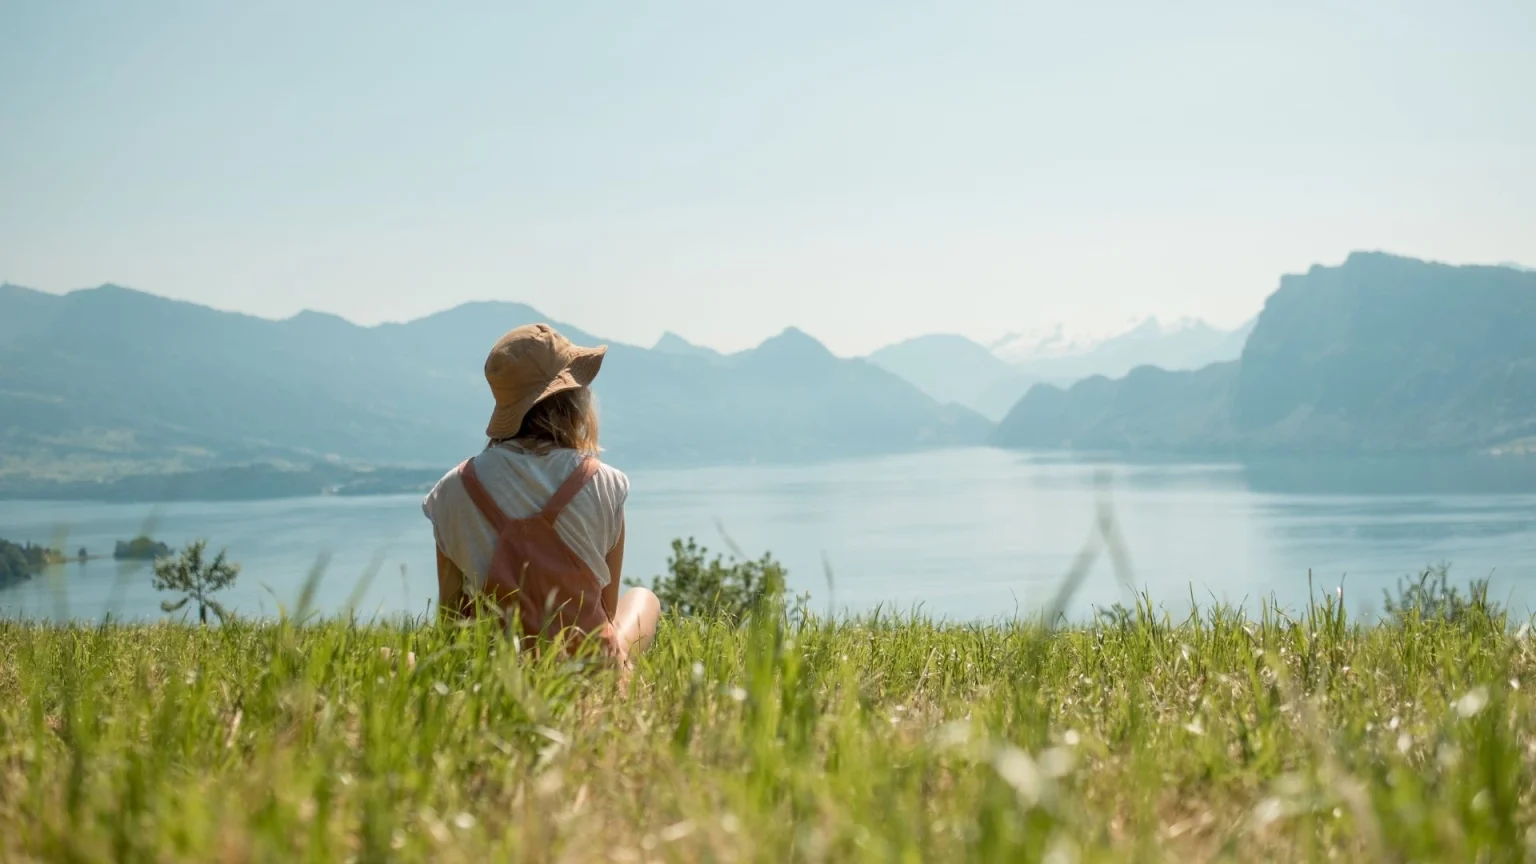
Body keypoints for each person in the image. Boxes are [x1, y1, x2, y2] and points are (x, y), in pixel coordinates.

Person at [422, 323, 659, 664]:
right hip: (589, 667)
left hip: (499, 672)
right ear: (573, 399)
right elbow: (605, 613)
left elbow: (450, 620)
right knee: (642, 597)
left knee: (390, 657)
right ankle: (625, 677)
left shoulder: (452, 489)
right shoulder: (606, 482)